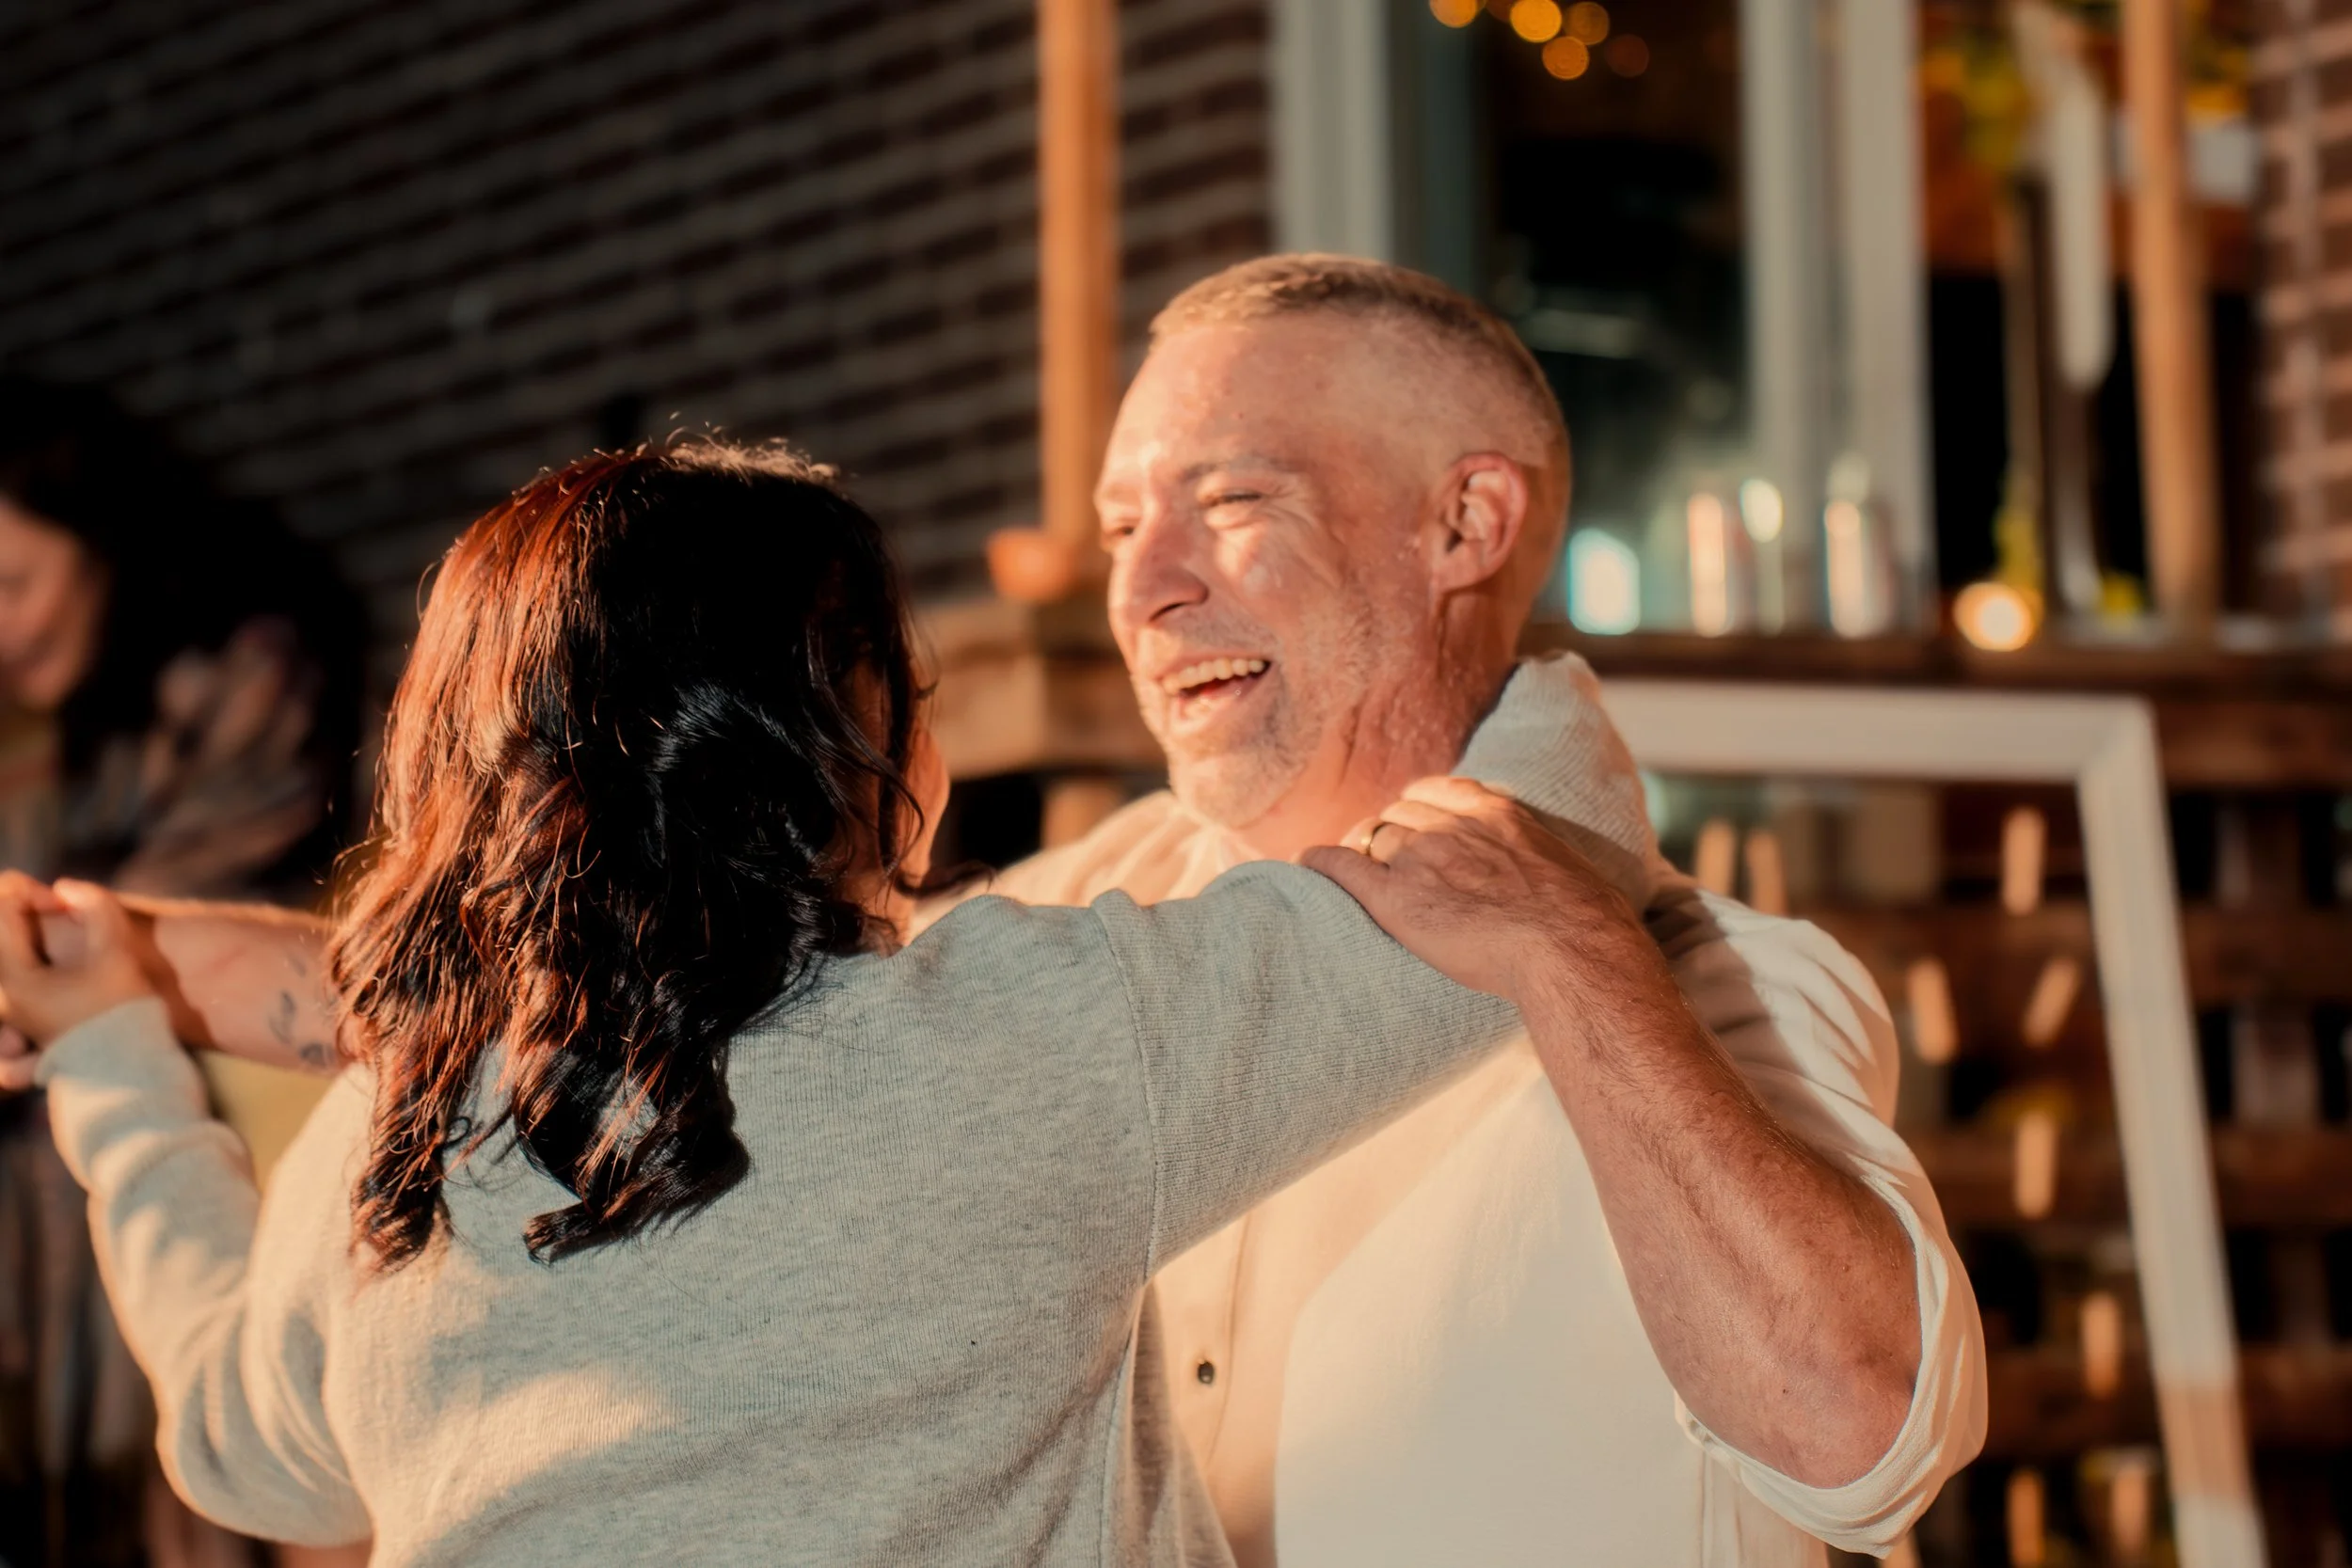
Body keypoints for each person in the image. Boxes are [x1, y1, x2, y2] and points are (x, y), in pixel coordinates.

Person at [18, 257, 1988, 1565]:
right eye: (1123, 526)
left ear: (1464, 523)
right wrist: (148, 967)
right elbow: (704, 990)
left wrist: (125, 1016)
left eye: (1225, 501)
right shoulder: (1040, 961)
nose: (1142, 592)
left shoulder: (1692, 971)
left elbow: (1859, 1438)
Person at [0, 375, 365, 1568]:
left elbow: (124, 924)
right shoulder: (42, 733)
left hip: (265, 1128)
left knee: (246, 1451)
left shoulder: (250, 666)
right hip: (93, 1144)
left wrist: (34, 964)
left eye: (15, 582)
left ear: (99, 541)